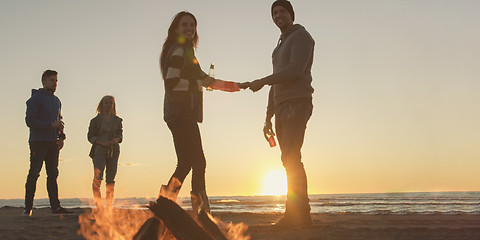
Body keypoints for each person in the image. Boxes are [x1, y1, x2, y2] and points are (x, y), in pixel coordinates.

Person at [159, 11, 238, 214]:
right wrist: (198, 83)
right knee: (199, 162)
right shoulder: (178, 50)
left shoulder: (187, 52)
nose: (189, 29)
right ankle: (201, 211)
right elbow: (172, 83)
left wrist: (231, 86)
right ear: (176, 28)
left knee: (185, 163)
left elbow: (205, 79)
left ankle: (166, 203)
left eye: (192, 25)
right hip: (181, 113)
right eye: (185, 25)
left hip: (178, 113)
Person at [248, 0, 315, 228]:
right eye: (274, 13)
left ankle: (301, 216)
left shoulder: (302, 37)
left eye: (282, 11)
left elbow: (294, 71)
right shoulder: (278, 47)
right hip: (281, 105)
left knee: (292, 157)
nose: (278, 15)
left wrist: (263, 80)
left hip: (298, 102)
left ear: (291, 14)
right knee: (287, 159)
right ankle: (293, 214)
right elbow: (277, 82)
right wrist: (268, 116)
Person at [24, 70, 73, 216]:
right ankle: (28, 208)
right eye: (52, 80)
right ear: (44, 81)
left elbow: (59, 122)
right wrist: (50, 125)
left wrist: (61, 137)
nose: (55, 83)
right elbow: (30, 121)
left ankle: (55, 207)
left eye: (56, 81)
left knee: (53, 174)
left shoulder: (57, 101)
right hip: (38, 142)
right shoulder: (34, 99)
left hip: (53, 143)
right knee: (34, 173)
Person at [87, 95, 123, 211]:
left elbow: (120, 136)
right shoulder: (95, 121)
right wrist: (101, 143)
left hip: (113, 150)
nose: (108, 105)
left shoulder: (117, 120)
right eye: (106, 103)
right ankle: (99, 205)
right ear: (102, 105)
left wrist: (115, 140)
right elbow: (90, 136)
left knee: (111, 179)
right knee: (98, 178)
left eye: (111, 103)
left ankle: (109, 206)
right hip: (99, 150)